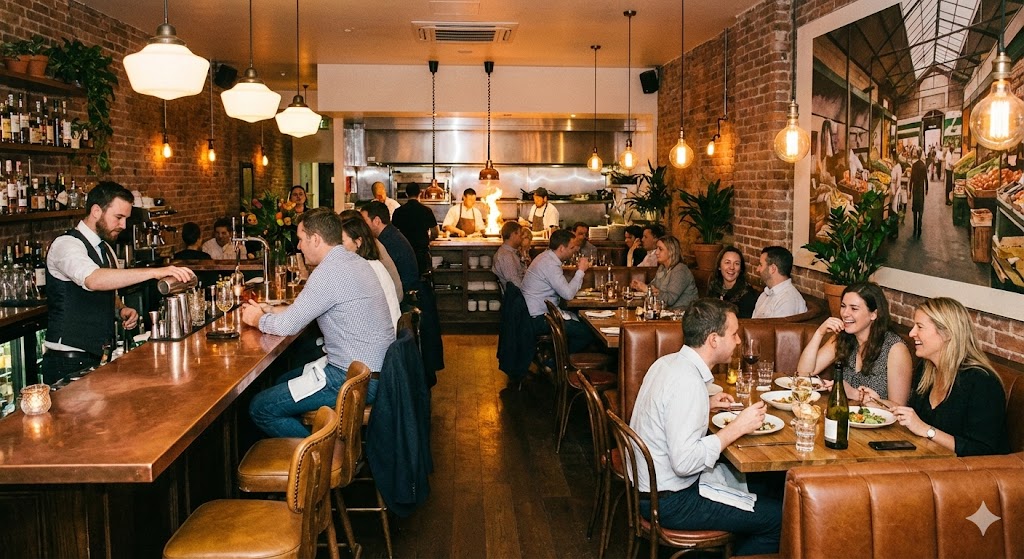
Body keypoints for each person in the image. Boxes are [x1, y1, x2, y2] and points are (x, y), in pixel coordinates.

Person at [630, 298, 781, 556]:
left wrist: (707, 403)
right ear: (713, 339)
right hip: (671, 501)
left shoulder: (667, 363)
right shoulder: (687, 382)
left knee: (768, 485)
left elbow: (668, 411)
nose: (737, 341)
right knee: (781, 519)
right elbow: (685, 462)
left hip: (649, 487)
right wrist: (737, 427)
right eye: (733, 334)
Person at [242, 208, 395, 438]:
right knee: (283, 380)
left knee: (261, 407)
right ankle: (317, 442)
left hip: (353, 379)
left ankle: (323, 458)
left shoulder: (328, 272)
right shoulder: (353, 261)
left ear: (316, 239)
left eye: (301, 239)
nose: (299, 246)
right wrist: (271, 310)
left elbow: (288, 326)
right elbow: (306, 309)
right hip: (372, 370)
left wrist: (257, 319)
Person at [42, 181, 195, 384]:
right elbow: (93, 280)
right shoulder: (66, 245)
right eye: (118, 217)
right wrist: (154, 272)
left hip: (98, 355)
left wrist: (121, 309)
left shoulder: (105, 248)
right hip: (68, 359)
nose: (123, 225)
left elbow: (107, 288)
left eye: (126, 219)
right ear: (96, 210)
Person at [860, 297, 1010, 457]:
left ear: (946, 333)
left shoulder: (982, 382)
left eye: (920, 327)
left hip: (968, 475)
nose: (912, 333)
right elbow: (914, 420)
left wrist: (927, 431)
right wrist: (881, 404)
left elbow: (982, 451)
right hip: (930, 462)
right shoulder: (926, 370)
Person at [796, 282, 913, 404]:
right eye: (843, 306)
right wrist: (819, 333)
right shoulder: (844, 338)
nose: (845, 313)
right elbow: (803, 373)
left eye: (854, 308)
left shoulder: (895, 348)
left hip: (880, 421)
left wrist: (856, 394)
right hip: (847, 417)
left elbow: (899, 408)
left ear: (873, 314)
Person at [521, 229, 594, 353]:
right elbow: (568, 294)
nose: (574, 250)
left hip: (533, 313)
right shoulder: (550, 264)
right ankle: (557, 364)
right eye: (571, 247)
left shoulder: (546, 257)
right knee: (588, 333)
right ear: (561, 248)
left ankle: (558, 360)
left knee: (581, 322)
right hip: (539, 319)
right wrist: (581, 270)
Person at [341, 215, 401, 325]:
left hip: (381, 335)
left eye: (341, 242)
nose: (337, 248)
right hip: (389, 331)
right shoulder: (373, 264)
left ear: (358, 242)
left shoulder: (363, 269)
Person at [362, 201, 420, 292]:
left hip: (405, 295)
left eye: (364, 221)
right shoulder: (390, 234)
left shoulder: (387, 241)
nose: (362, 227)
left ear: (377, 221)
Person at [630, 236, 698, 311]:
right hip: (666, 313)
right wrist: (640, 287)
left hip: (681, 315)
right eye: (657, 248)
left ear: (671, 251)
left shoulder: (680, 270)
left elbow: (670, 299)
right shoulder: (662, 268)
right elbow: (653, 286)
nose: (656, 252)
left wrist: (647, 290)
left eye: (660, 249)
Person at [392, 183, 439, 275]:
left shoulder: (398, 212)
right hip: (421, 253)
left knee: (408, 277)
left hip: (404, 253)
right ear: (420, 193)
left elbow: (394, 232)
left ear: (406, 194)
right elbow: (436, 232)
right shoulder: (426, 210)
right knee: (423, 277)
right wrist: (430, 238)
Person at [751, 245, 807, 319]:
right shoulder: (764, 294)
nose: (757, 269)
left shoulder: (788, 300)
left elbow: (779, 330)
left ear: (772, 269)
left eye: (761, 265)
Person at [706, 246, 758, 318]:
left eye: (736, 264)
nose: (732, 267)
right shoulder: (714, 286)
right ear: (719, 266)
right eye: (727, 262)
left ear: (741, 269)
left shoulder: (747, 294)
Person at [492, 221, 527, 291]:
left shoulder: (511, 253)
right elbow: (515, 284)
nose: (522, 238)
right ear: (513, 235)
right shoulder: (506, 256)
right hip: (518, 297)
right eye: (520, 235)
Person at [910, 149, 928, 238]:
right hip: (921, 189)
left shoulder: (914, 165)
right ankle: (919, 229)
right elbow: (926, 178)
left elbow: (911, 179)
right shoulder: (923, 166)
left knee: (915, 210)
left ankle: (914, 229)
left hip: (915, 189)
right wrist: (927, 189)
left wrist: (909, 190)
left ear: (917, 155)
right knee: (920, 210)